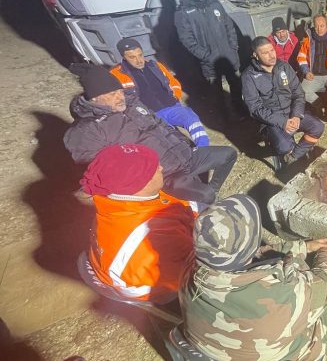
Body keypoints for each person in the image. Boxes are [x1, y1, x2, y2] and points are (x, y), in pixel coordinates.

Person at [180, 194, 327, 360]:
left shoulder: (189, 272)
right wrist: (325, 254)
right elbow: (326, 285)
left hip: (222, 351)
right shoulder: (280, 297)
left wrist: (304, 247)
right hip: (294, 353)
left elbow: (256, 254)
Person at [64, 66, 237, 204]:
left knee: (228, 155)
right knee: (207, 196)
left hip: (184, 155)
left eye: (119, 91)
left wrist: (184, 144)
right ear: (94, 99)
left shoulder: (133, 104)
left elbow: (161, 124)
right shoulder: (88, 130)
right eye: (111, 94)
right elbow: (97, 172)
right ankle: (205, 201)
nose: (119, 97)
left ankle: (212, 190)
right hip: (164, 175)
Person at [81, 144, 195, 302]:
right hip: (153, 286)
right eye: (154, 169)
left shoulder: (112, 202)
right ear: (143, 185)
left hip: (117, 267)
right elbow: (190, 274)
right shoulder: (156, 236)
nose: (161, 168)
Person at [110, 38, 210, 147]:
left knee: (191, 119)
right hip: (151, 115)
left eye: (140, 55)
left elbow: (174, 83)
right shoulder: (116, 74)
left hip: (172, 107)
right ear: (123, 57)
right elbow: (117, 99)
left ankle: (204, 148)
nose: (139, 60)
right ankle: (189, 155)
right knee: (174, 139)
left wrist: (175, 96)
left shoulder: (155, 66)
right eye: (132, 57)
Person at [242, 36, 324, 165]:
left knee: (318, 127)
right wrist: (282, 122)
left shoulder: (284, 66)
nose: (271, 55)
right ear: (255, 55)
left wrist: (296, 115)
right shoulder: (249, 76)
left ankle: (293, 156)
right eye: (265, 53)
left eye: (272, 50)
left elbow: (298, 93)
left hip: (291, 112)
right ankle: (294, 154)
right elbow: (255, 108)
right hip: (271, 120)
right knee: (284, 146)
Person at [174, 0, 241, 112]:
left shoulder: (214, 3)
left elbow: (229, 26)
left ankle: (241, 111)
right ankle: (224, 118)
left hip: (228, 56)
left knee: (236, 86)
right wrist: (206, 55)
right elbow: (186, 39)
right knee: (217, 94)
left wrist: (233, 47)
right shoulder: (183, 12)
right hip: (210, 61)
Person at [296, 14, 327, 112]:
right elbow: (301, 57)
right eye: (316, 26)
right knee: (301, 92)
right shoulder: (308, 40)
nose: (319, 29)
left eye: (322, 26)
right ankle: (321, 106)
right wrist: (306, 71)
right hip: (314, 76)